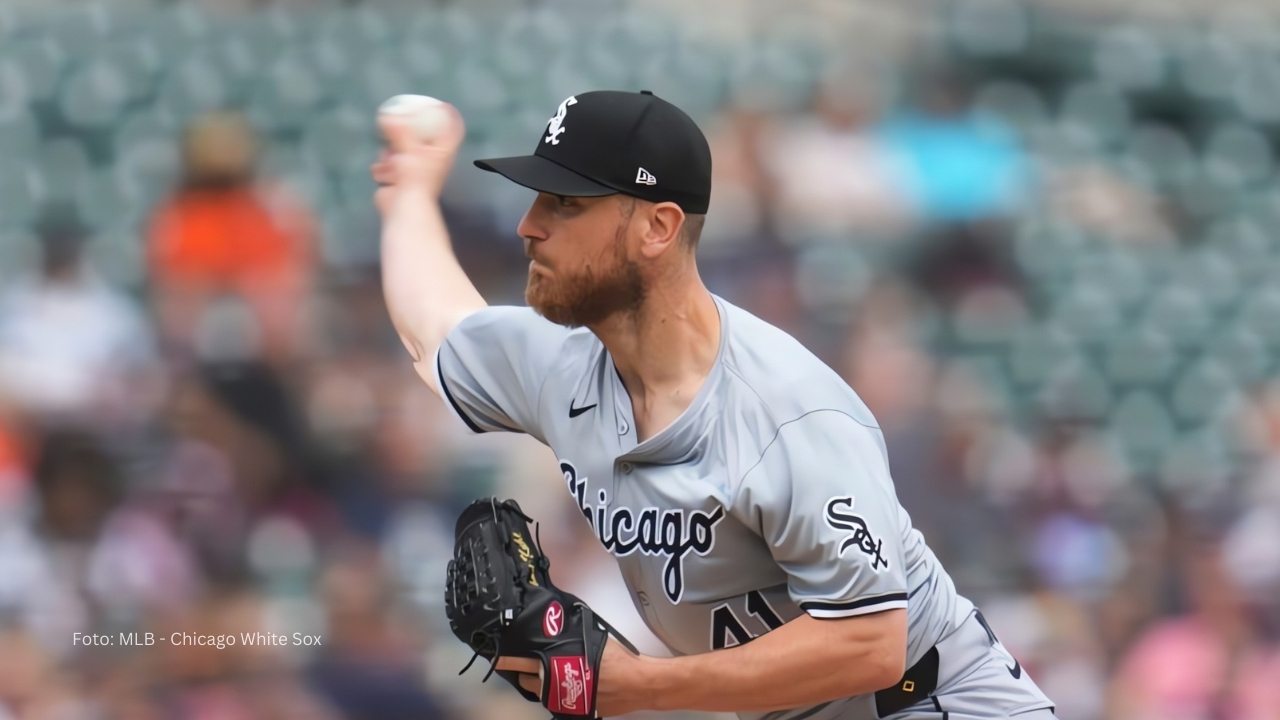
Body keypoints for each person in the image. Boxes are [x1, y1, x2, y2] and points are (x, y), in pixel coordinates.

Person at [371, 90, 1055, 719]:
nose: (528, 226)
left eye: (565, 204)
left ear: (658, 227)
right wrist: (410, 192)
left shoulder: (785, 409)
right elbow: (435, 327)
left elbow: (870, 643)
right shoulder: (563, 364)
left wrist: (636, 685)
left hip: (937, 702)